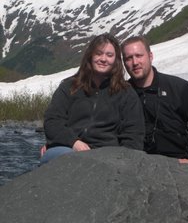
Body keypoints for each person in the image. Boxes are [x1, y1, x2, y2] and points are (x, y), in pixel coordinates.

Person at [41, 33, 145, 164]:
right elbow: (52, 121)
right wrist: (73, 142)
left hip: (107, 157)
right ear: (90, 56)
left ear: (116, 60)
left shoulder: (126, 93)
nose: (103, 59)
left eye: (109, 55)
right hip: (68, 149)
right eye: (99, 53)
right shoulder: (70, 87)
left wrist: (121, 160)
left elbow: (133, 135)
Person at [121, 36, 188, 164]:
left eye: (139, 55)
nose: (135, 62)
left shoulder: (177, 88)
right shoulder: (122, 94)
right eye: (129, 58)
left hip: (176, 169)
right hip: (135, 168)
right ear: (124, 62)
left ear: (150, 56)